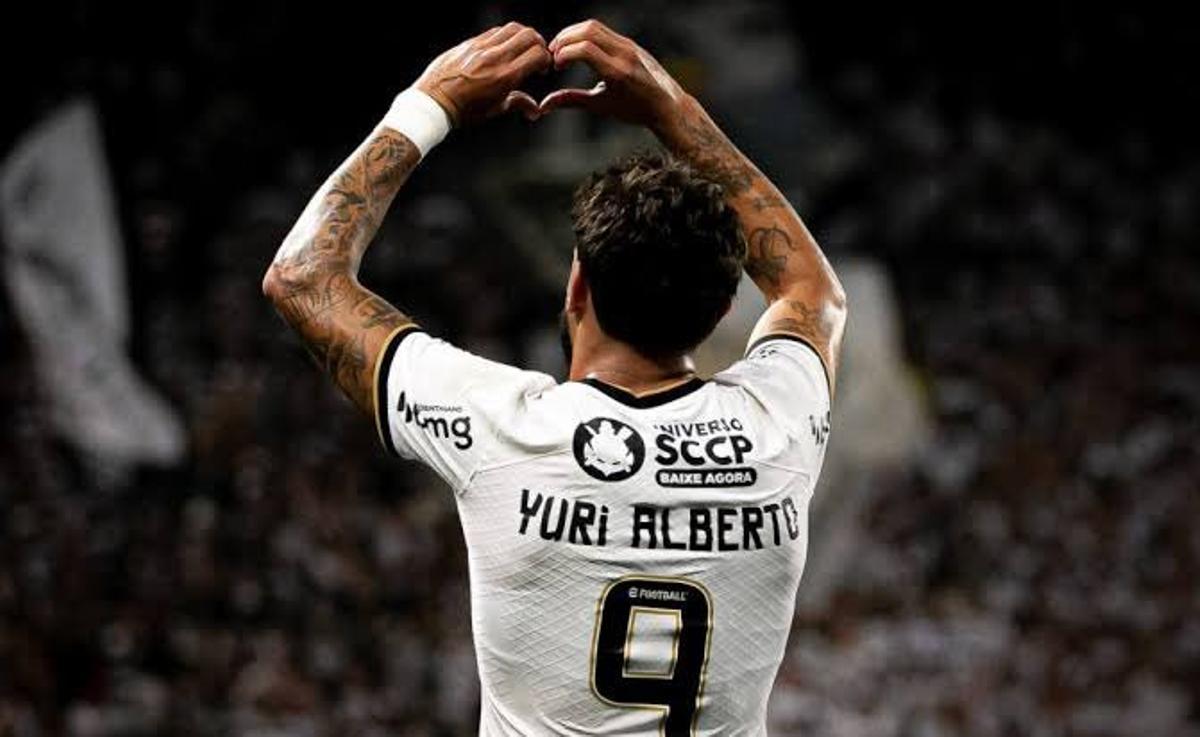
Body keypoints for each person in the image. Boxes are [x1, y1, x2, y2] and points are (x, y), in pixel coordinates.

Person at [263, 19, 846, 737]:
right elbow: (809, 289)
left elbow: (302, 276)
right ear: (724, 308)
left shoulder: (503, 428)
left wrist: (428, 103)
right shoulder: (776, 428)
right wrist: (674, 109)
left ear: (576, 286)